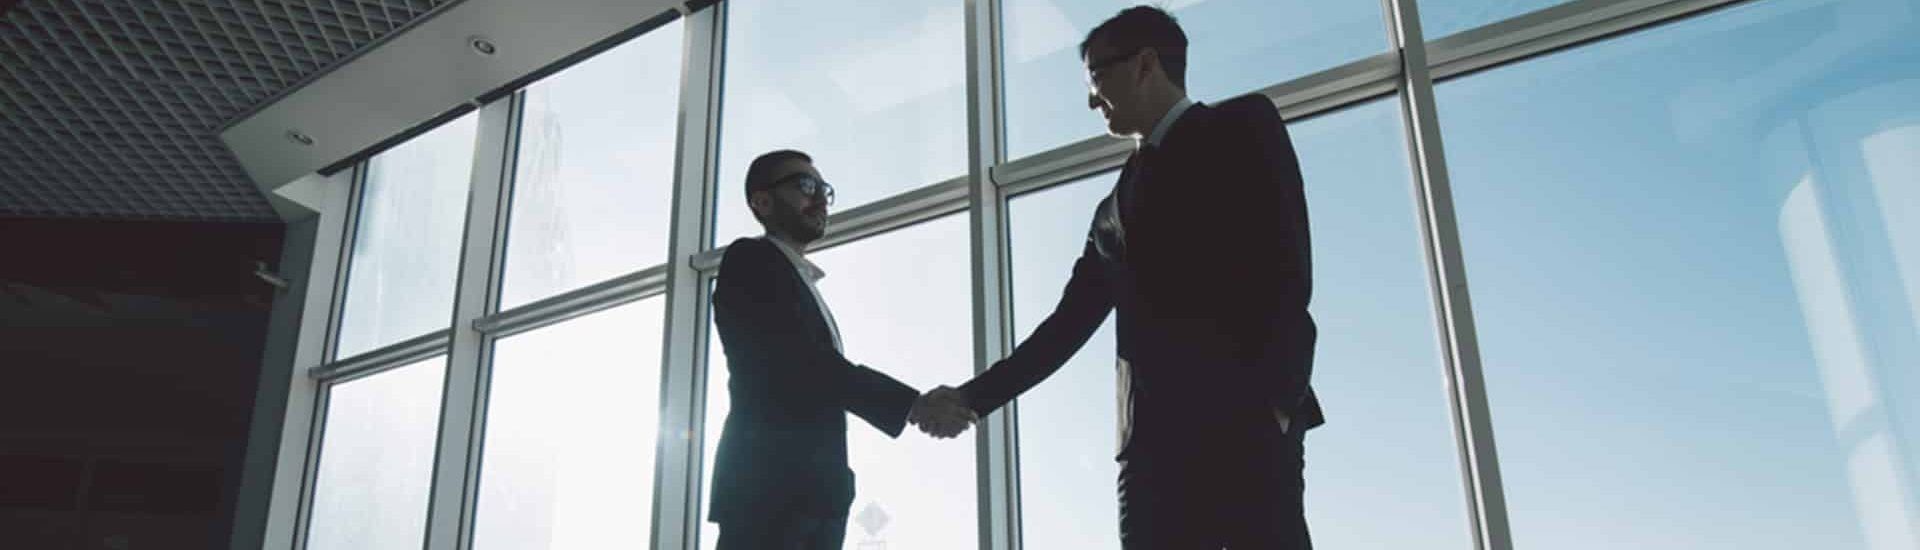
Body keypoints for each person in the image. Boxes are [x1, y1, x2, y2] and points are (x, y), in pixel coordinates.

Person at [909, 6, 1321, 548]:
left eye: (1097, 77)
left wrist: (1277, 401)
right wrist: (970, 397)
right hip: (1151, 456)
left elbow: (1288, 264)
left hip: (1245, 424)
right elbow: (1066, 327)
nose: (1090, 97)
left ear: (1146, 63)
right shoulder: (1110, 212)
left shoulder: (1241, 125)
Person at [708, 149, 973, 549]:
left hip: (812, 498)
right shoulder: (751, 259)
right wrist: (914, 405)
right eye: (805, 186)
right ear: (762, 202)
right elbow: (803, 364)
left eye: (823, 190)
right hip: (770, 493)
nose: (819, 200)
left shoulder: (800, 281)